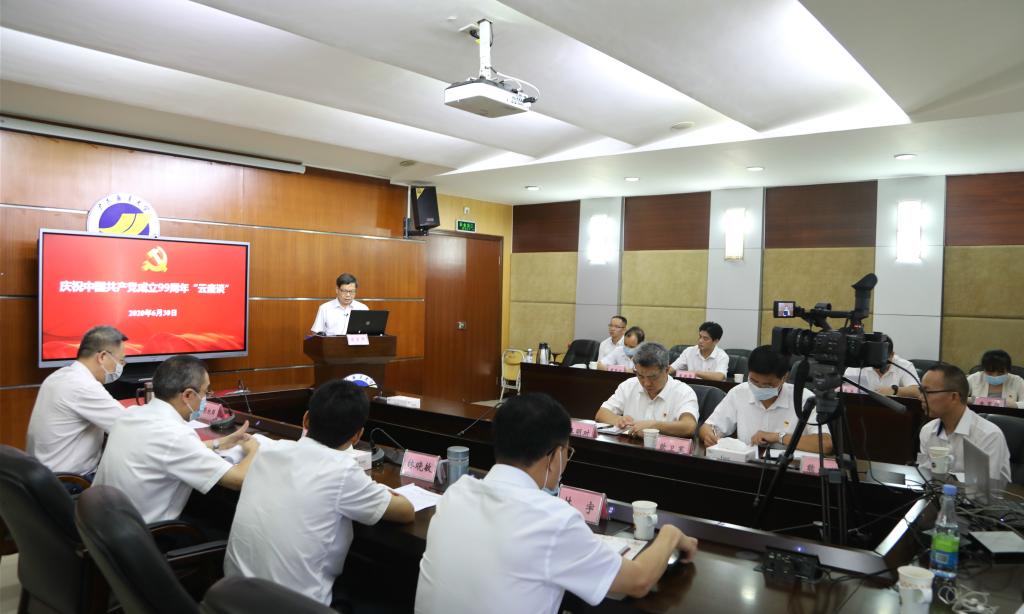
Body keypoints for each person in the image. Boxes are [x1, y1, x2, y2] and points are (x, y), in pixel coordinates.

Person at [415, 393, 698, 613]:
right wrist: (671, 534)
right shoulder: (553, 519)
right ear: (555, 455)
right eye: (567, 452)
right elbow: (639, 581)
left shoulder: (457, 493)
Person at [225, 379, 414, 608]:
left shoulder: (268, 451)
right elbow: (406, 511)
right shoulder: (343, 471)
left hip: (229, 599)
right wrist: (382, 490)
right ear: (357, 436)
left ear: (306, 419)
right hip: (294, 607)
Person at [93, 355, 259, 523]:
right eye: (205, 392)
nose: (206, 397)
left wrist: (220, 443)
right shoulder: (176, 435)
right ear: (188, 395)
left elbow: (169, 451)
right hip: (148, 533)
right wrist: (254, 449)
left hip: (102, 523)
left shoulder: (131, 414)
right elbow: (238, 480)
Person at [26, 325, 129, 477]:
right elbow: (127, 425)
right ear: (102, 357)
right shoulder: (83, 386)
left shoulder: (59, 375)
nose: (121, 366)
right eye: (121, 361)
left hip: (42, 474)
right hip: (69, 481)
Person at [699, 346, 833, 454]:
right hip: (746, 467)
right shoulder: (739, 392)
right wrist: (709, 436)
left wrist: (778, 437)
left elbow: (826, 444)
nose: (759, 388)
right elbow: (707, 427)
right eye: (754, 381)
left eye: (768, 385)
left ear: (784, 378)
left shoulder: (804, 398)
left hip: (789, 470)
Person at [918, 363, 1012, 482]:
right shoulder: (927, 431)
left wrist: (949, 479)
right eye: (920, 391)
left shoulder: (989, 435)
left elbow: (985, 486)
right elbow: (926, 475)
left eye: (927, 392)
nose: (920, 397)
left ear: (954, 397)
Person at [594, 343, 699, 438]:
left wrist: (653, 425)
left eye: (653, 377)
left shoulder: (683, 392)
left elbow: (689, 427)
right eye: (640, 376)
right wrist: (619, 420)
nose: (646, 383)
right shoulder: (629, 385)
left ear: (667, 370)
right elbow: (601, 414)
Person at [842, 337, 918, 396]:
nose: (877, 364)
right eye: (874, 358)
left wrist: (894, 390)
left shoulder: (904, 365)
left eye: (881, 359)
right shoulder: (857, 365)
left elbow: (917, 391)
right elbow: (844, 392)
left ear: (892, 355)